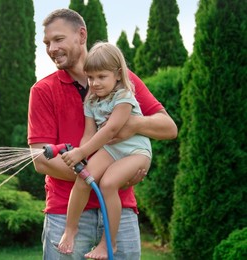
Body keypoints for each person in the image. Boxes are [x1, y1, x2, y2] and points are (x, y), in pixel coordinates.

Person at [27, 8, 177, 260]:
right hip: (66, 213)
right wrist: (95, 177)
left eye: (58, 39)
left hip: (121, 211)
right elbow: (41, 161)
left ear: (81, 35)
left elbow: (169, 128)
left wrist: (133, 125)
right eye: (47, 43)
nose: (51, 48)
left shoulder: (124, 82)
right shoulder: (43, 91)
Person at [58, 41, 152, 259]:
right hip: (111, 150)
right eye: (90, 77)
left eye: (102, 77)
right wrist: (80, 156)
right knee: (84, 177)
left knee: (108, 183)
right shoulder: (91, 100)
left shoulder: (124, 97)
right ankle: (70, 230)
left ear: (118, 74)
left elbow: (110, 130)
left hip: (136, 152)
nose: (95, 83)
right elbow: (90, 134)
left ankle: (108, 243)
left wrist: (81, 153)